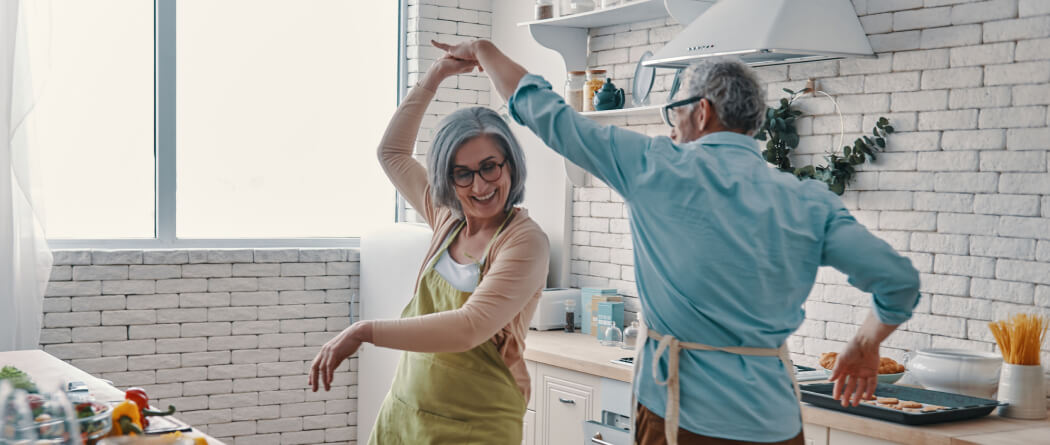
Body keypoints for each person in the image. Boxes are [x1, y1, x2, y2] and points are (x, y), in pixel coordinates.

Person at [433, 39, 921, 445]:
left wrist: (484, 50)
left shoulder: (655, 167)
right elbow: (899, 283)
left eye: (676, 111)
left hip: (682, 418)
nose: (671, 125)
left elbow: (547, 114)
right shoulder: (808, 201)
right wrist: (864, 344)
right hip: (777, 422)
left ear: (702, 112)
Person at [307, 54, 550, 444]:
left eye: (490, 166)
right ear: (447, 179)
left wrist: (364, 330)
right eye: (463, 173)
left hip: (478, 424)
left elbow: (469, 327)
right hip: (406, 412)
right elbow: (392, 153)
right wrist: (436, 75)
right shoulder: (446, 218)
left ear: (510, 166)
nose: (480, 185)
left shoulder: (524, 240)